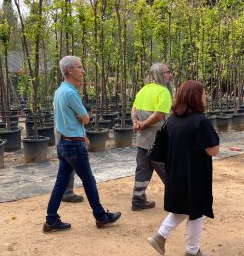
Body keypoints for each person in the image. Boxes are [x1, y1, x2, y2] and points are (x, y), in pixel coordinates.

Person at [43, 56, 121, 233]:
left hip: (64, 142)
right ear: (70, 70)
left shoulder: (59, 91)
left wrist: (80, 132)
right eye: (80, 67)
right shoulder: (71, 93)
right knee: (88, 181)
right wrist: (82, 123)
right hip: (73, 145)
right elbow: (85, 118)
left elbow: (68, 119)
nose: (83, 71)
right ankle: (101, 216)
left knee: (60, 183)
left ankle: (51, 219)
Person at [146, 80, 220, 256]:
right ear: (195, 97)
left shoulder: (172, 120)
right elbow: (213, 151)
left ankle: (160, 236)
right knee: (196, 211)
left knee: (183, 207)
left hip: (175, 173)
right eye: (203, 94)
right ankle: (192, 252)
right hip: (195, 175)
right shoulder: (200, 122)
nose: (205, 97)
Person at [131, 63, 173, 211]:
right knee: (169, 170)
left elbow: (134, 109)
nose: (170, 75)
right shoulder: (163, 92)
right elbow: (159, 115)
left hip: (142, 141)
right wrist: (142, 125)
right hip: (158, 141)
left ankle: (138, 200)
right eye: (167, 72)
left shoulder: (143, 90)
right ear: (160, 74)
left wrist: (136, 123)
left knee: (142, 170)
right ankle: (180, 200)